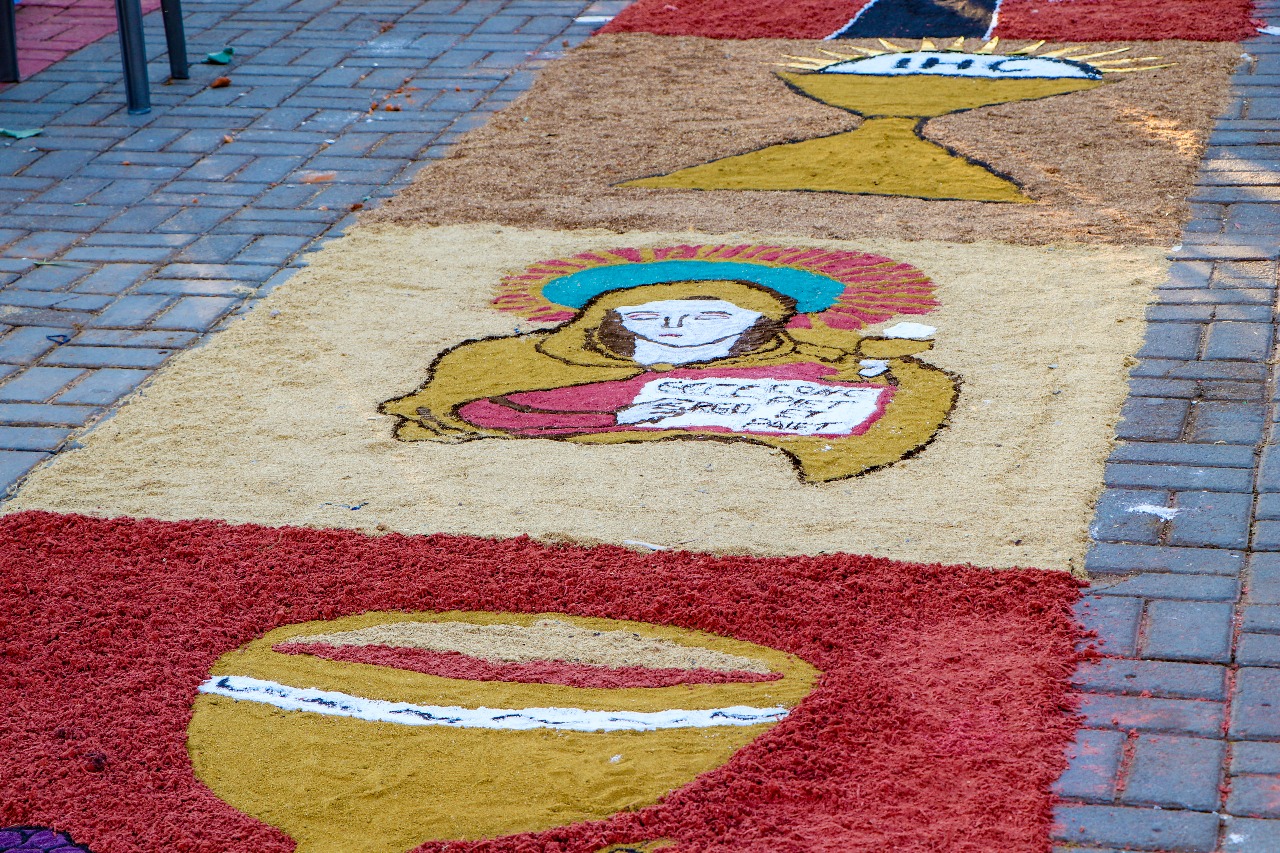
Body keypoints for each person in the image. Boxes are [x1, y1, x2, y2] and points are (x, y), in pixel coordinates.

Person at [381, 279, 957, 483]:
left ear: (760, 323)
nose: (676, 324)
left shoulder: (839, 365)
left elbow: (900, 407)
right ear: (608, 318)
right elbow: (444, 409)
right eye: (649, 314)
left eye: (709, 314)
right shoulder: (506, 357)